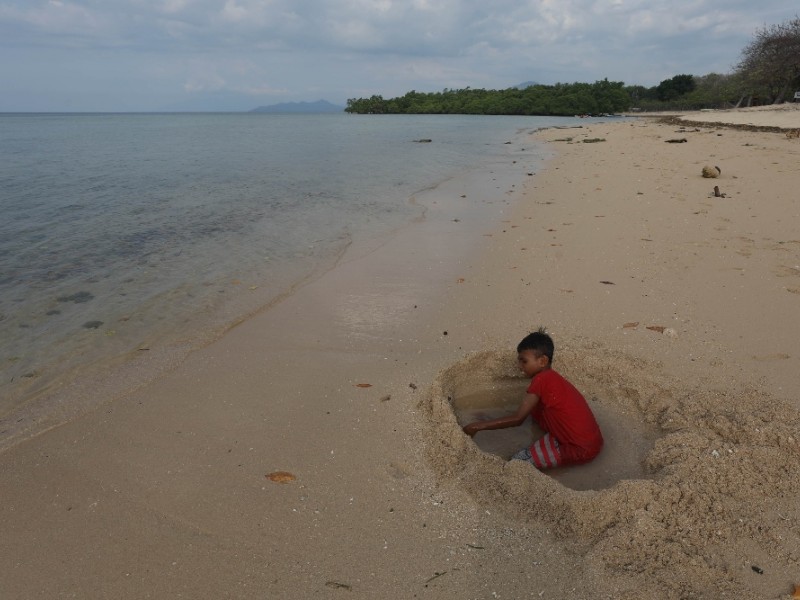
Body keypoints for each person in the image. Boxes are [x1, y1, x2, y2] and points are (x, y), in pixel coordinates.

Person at [462, 328, 603, 469]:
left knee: (517, 464)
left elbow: (518, 419)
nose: (520, 367)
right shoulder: (551, 378)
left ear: (542, 361)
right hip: (592, 440)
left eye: (524, 361)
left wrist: (476, 426)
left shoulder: (541, 380)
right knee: (536, 411)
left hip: (580, 450)